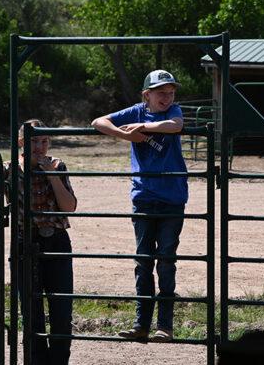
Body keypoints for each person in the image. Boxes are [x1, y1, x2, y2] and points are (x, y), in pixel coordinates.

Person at [0, 119, 77, 365]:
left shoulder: (57, 165)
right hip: (26, 242)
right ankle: (35, 361)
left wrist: (52, 175)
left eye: (44, 141)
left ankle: (58, 362)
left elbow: (69, 207)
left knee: (61, 310)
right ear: (23, 143)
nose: (40, 147)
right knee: (30, 310)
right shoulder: (10, 168)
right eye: (35, 141)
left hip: (56, 241)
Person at [91, 69, 188, 343]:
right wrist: (127, 136)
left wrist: (144, 128)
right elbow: (98, 122)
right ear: (147, 95)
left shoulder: (173, 110)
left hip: (172, 197)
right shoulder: (136, 111)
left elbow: (175, 126)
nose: (167, 97)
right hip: (144, 195)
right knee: (144, 261)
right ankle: (141, 324)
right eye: (161, 93)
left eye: (170, 92)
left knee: (166, 261)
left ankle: (165, 326)